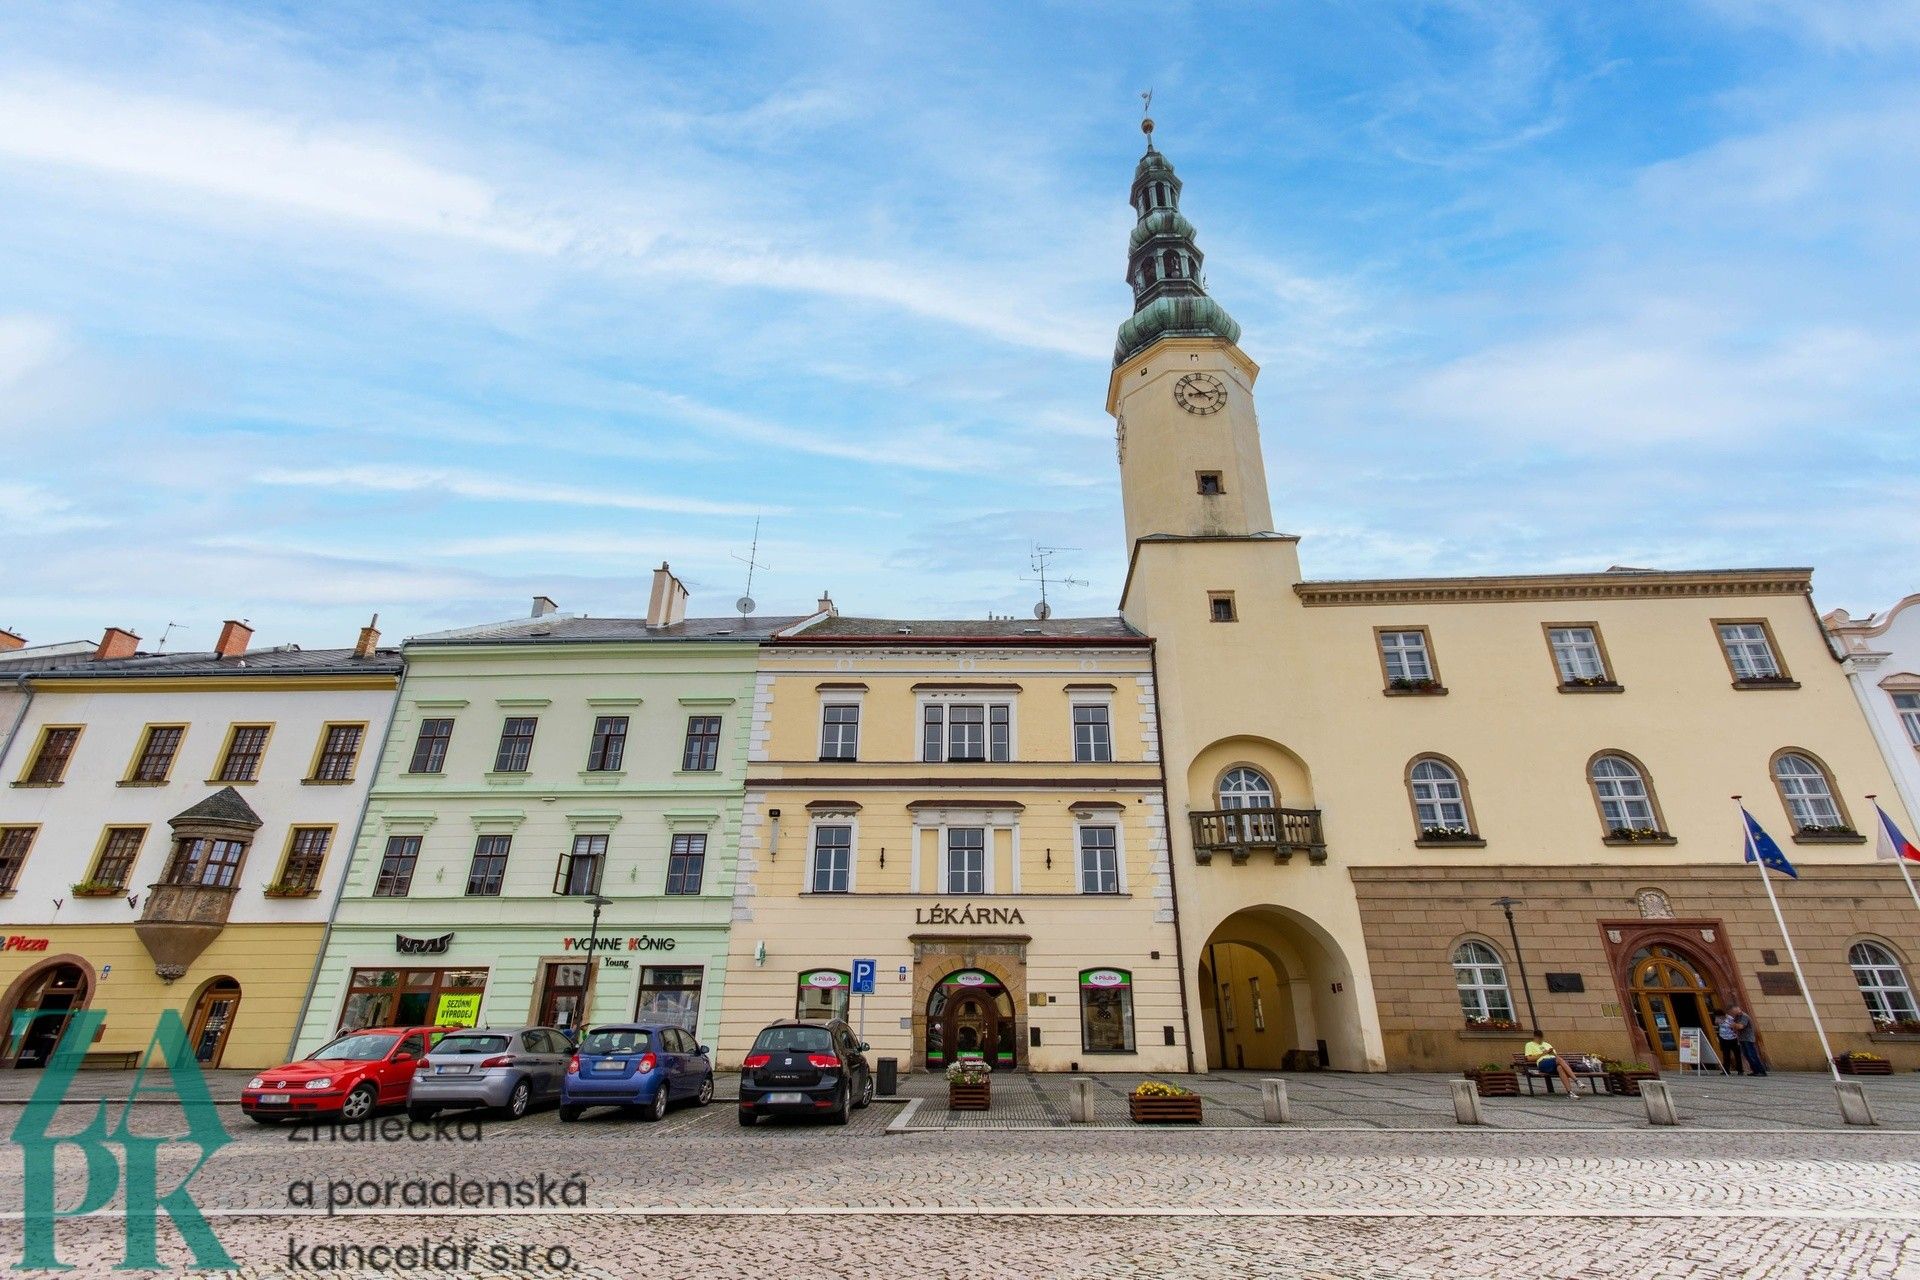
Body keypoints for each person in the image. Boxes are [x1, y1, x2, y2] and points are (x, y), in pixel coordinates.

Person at [1729, 1006, 1768, 1076]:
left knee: (1752, 1055)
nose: (1732, 1012)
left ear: (1738, 1009)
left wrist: (1733, 1025)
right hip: (1742, 1039)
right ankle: (1755, 1071)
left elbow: (1741, 1026)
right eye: (1732, 1011)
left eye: (1733, 1010)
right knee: (1747, 1055)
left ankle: (1761, 1071)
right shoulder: (1737, 1017)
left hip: (1748, 1039)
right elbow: (1735, 1027)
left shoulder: (1744, 1016)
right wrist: (1734, 1026)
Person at [1714, 1011, 1743, 1076]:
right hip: (1723, 1039)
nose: (1718, 1017)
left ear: (1723, 1015)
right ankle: (1726, 1070)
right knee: (1726, 1055)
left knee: (1737, 1055)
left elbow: (1735, 1027)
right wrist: (1717, 1021)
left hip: (1733, 1039)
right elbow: (1716, 1023)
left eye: (1719, 1016)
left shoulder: (1730, 1018)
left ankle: (1740, 1070)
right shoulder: (1718, 1018)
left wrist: (1732, 1027)